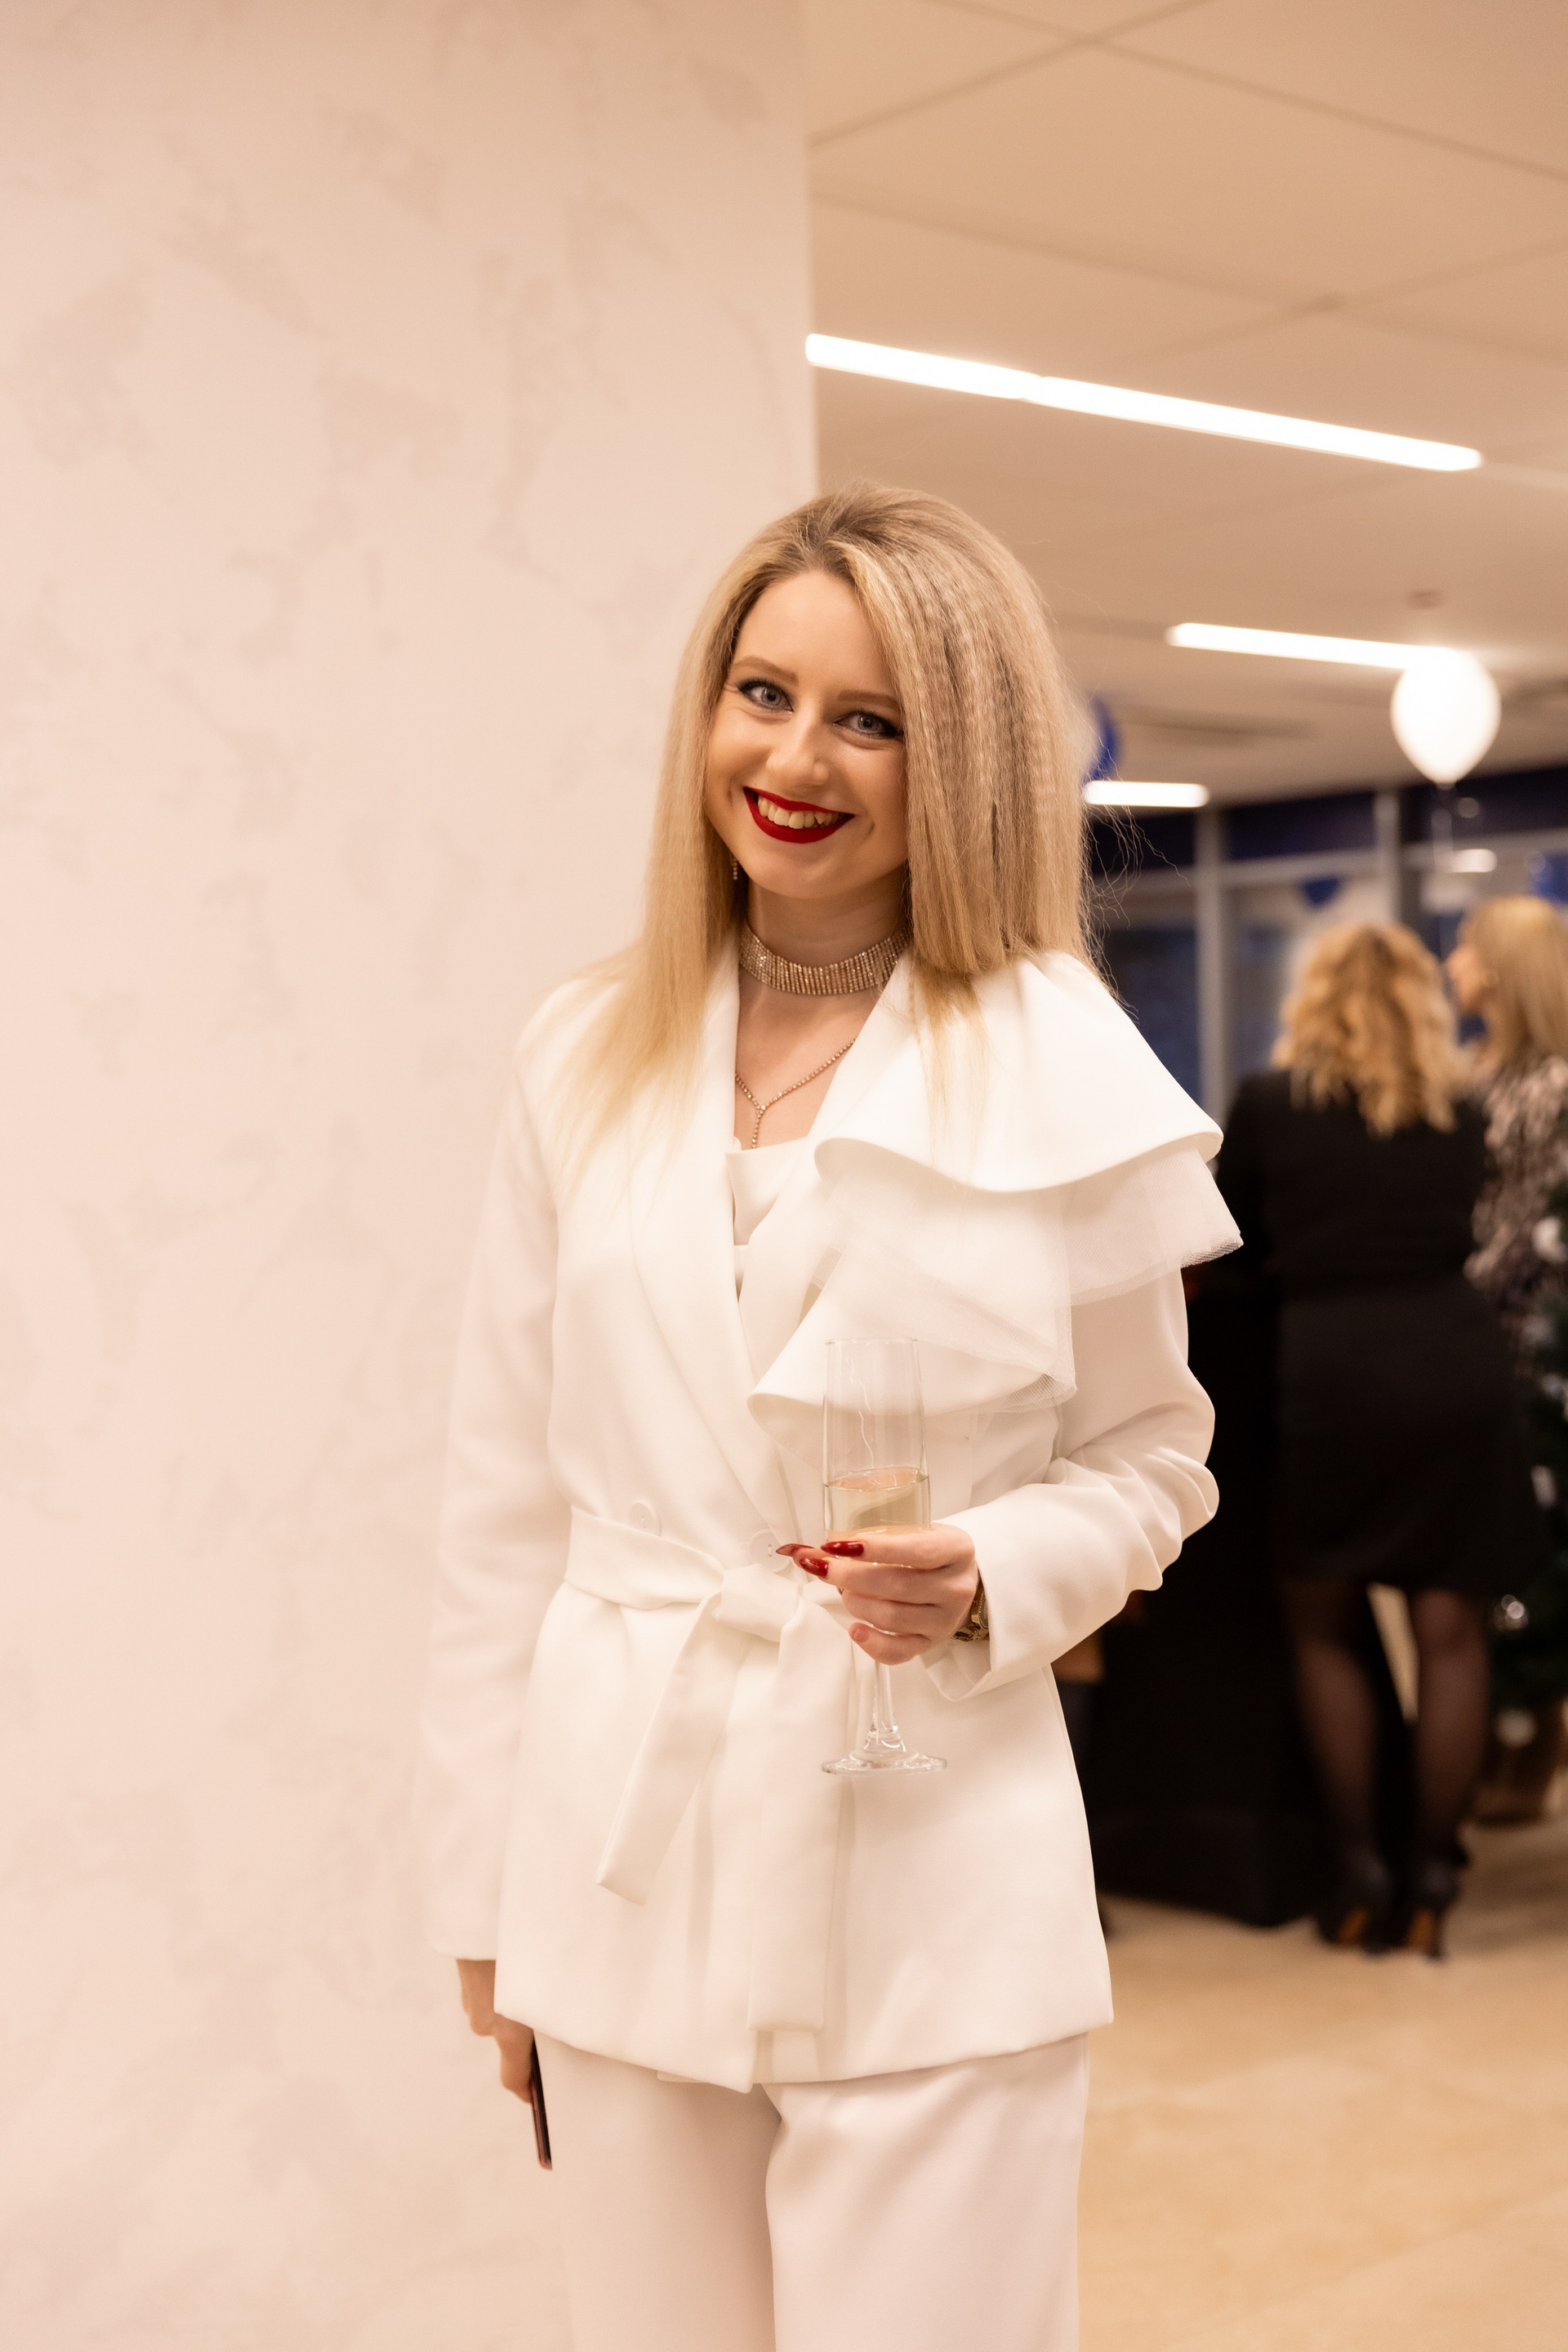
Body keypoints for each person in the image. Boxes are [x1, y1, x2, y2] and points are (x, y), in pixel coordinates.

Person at [415, 485, 1237, 2352]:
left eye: (870, 719)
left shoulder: (1054, 1061)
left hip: (933, 1861)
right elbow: (501, 1507)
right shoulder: (582, 1047)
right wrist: (485, 1895)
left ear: (963, 760)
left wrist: (993, 1565)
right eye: (762, 693)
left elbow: (1154, 1455)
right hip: (623, 1851)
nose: (794, 761)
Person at [1214, 924, 1544, 1959]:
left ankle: (1361, 1869)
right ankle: (1435, 1873)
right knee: (1451, 1635)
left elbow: (1224, 1244)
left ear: (1310, 997)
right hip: (1454, 1366)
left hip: (1331, 1374)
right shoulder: (1464, 1107)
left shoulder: (1271, 1103)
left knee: (1323, 1629)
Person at [1447, 893, 1568, 1815]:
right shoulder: (1472, 1072)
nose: (1451, 962)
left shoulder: (1552, 1086)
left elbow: (1525, 1233)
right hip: (1475, 1346)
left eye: (1464, 947)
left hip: (1531, 1356)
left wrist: (1445, 1290)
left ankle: (1531, 1751)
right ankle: (1494, 1742)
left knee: (1535, 1553)